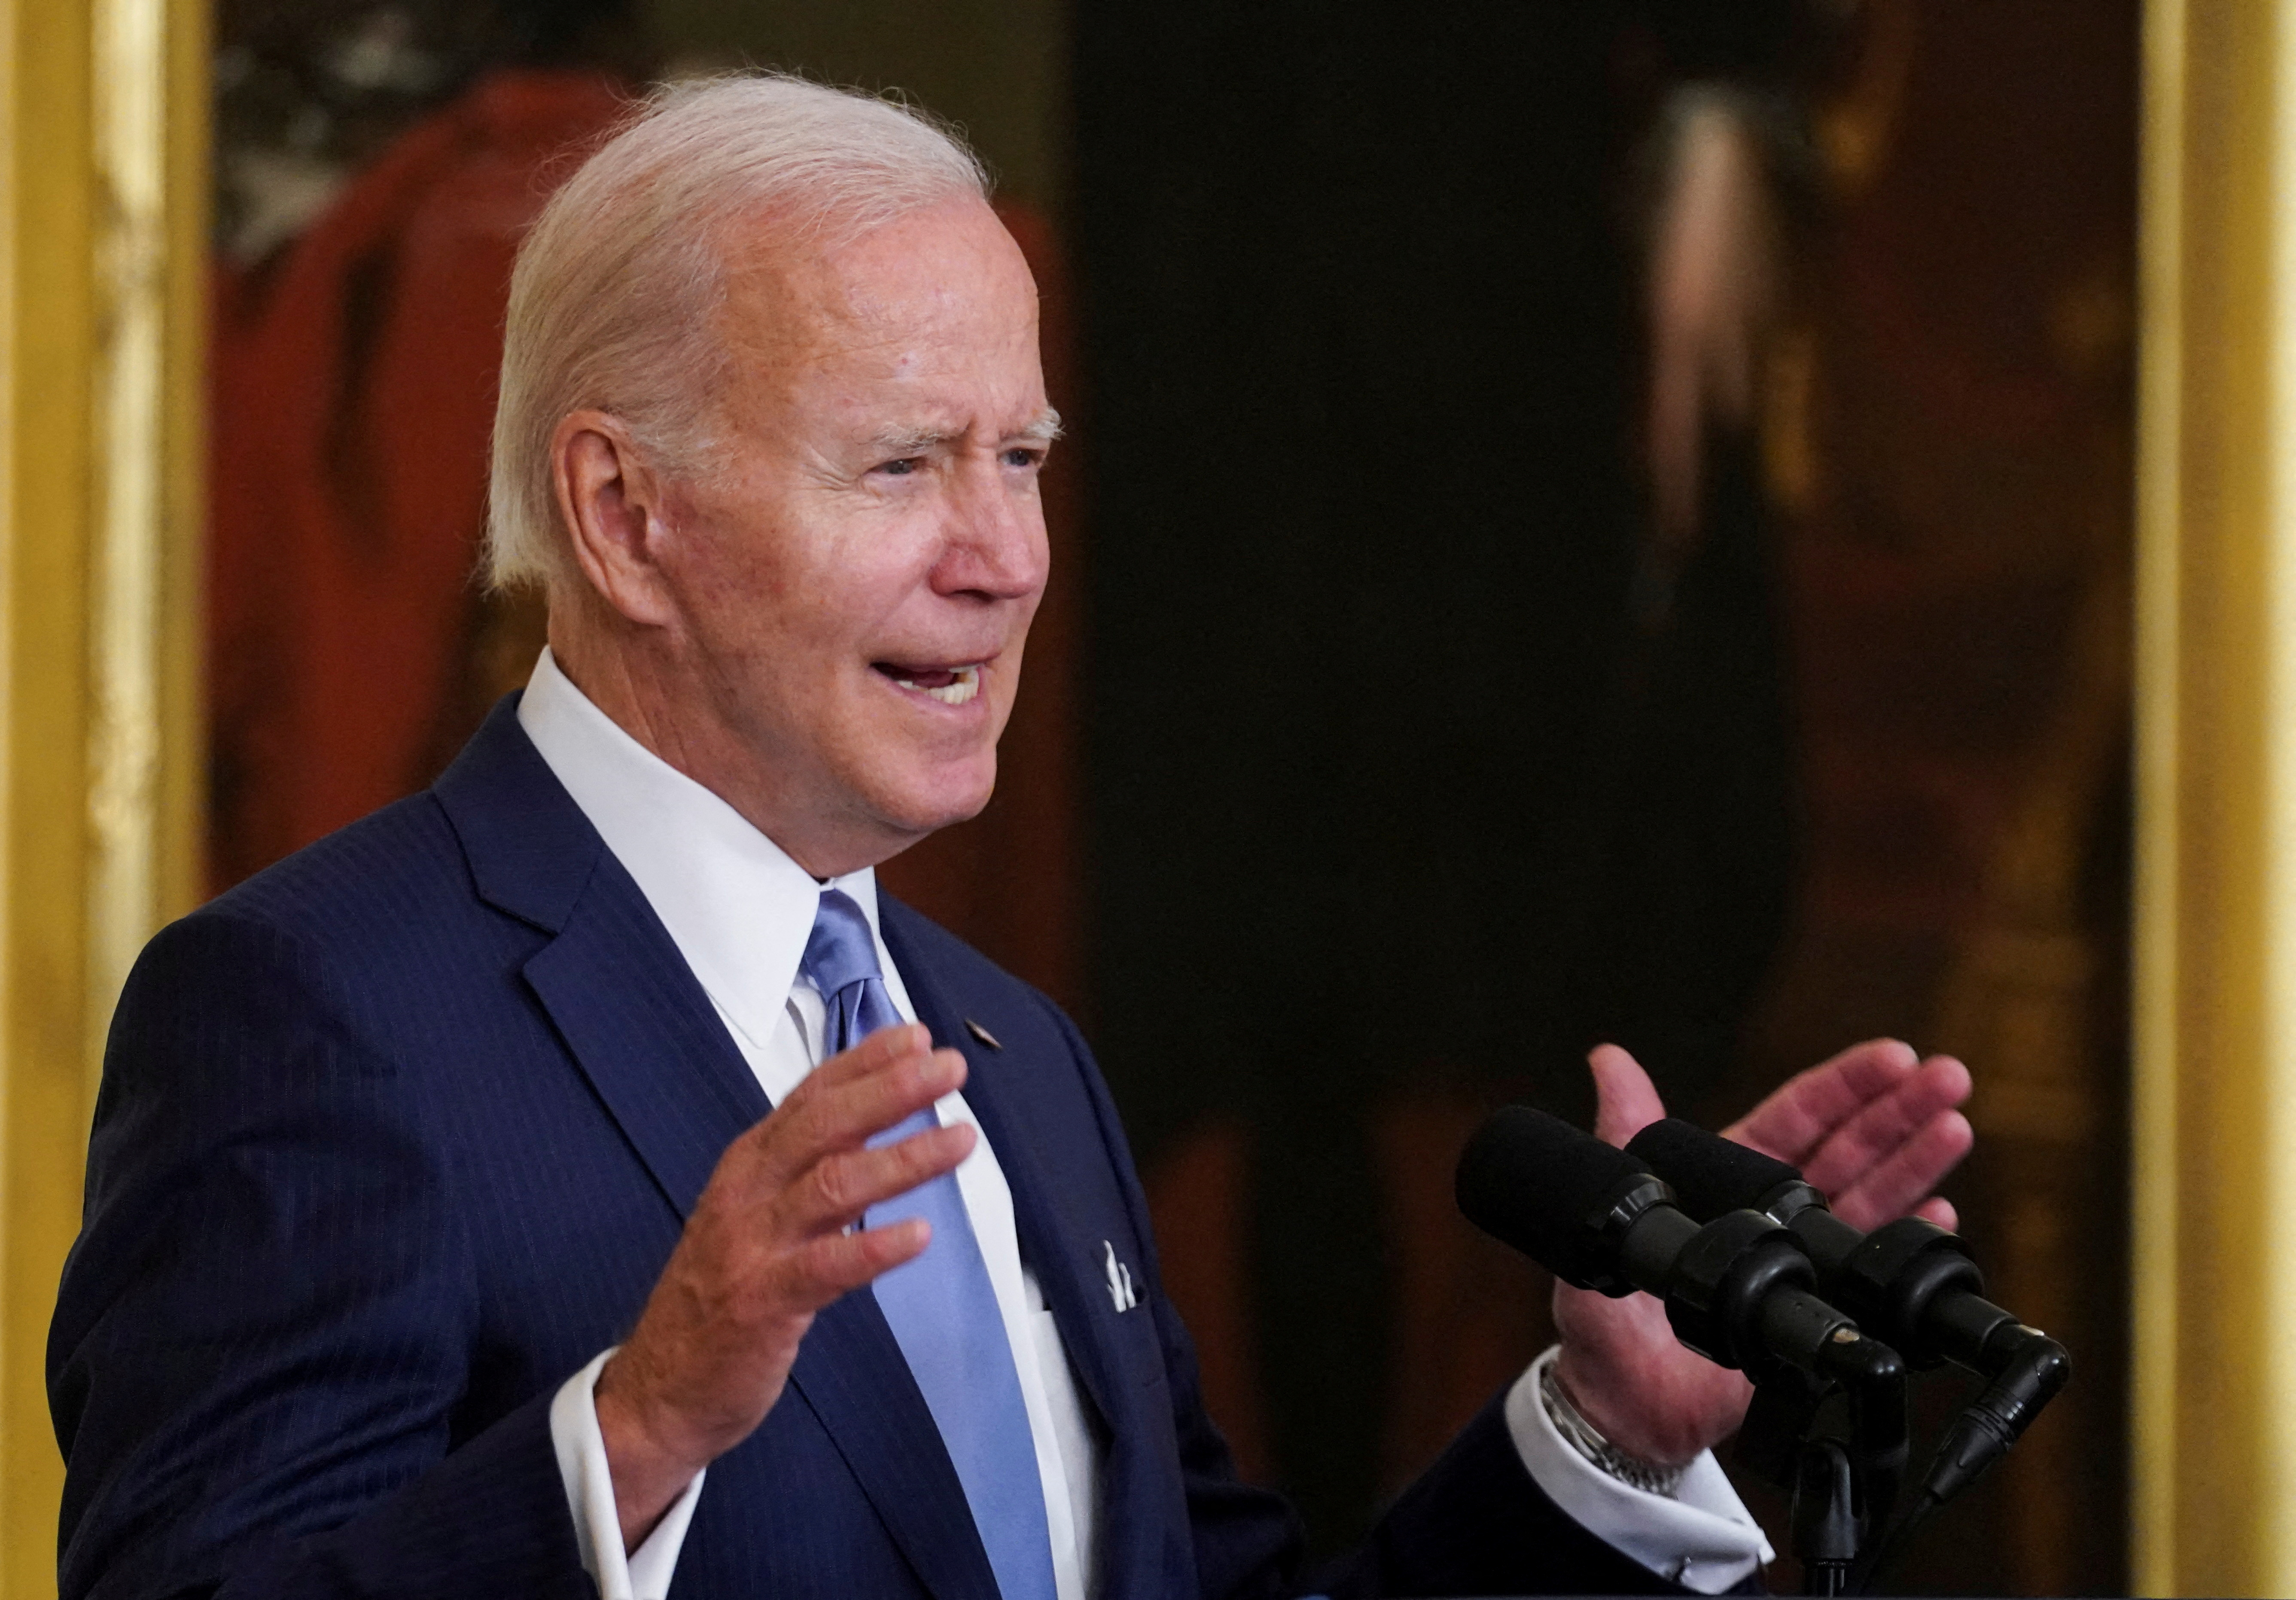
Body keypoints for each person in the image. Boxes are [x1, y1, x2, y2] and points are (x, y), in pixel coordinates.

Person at [49, 76, 1972, 1599]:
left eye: (1023, 458)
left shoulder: (1017, 1058)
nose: (1004, 561)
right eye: (901, 463)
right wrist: (624, 1435)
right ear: (623, 516)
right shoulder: (316, 1009)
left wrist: (1603, 1434)